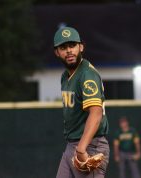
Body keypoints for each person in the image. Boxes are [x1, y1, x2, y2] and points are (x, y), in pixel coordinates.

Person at [54, 26, 109, 178]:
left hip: (89, 144)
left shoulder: (87, 75)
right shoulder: (66, 76)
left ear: (81, 47)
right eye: (63, 47)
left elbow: (96, 113)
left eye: (72, 45)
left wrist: (81, 149)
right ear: (57, 52)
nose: (69, 50)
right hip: (72, 145)